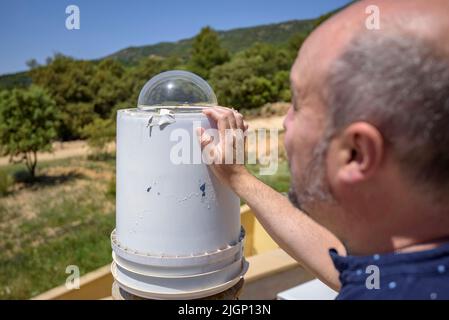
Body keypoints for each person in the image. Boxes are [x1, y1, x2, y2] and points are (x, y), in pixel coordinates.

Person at [197, 0, 449, 299]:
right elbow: (348, 264)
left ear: (356, 153)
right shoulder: (406, 261)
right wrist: (238, 177)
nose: (286, 122)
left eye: (298, 105)